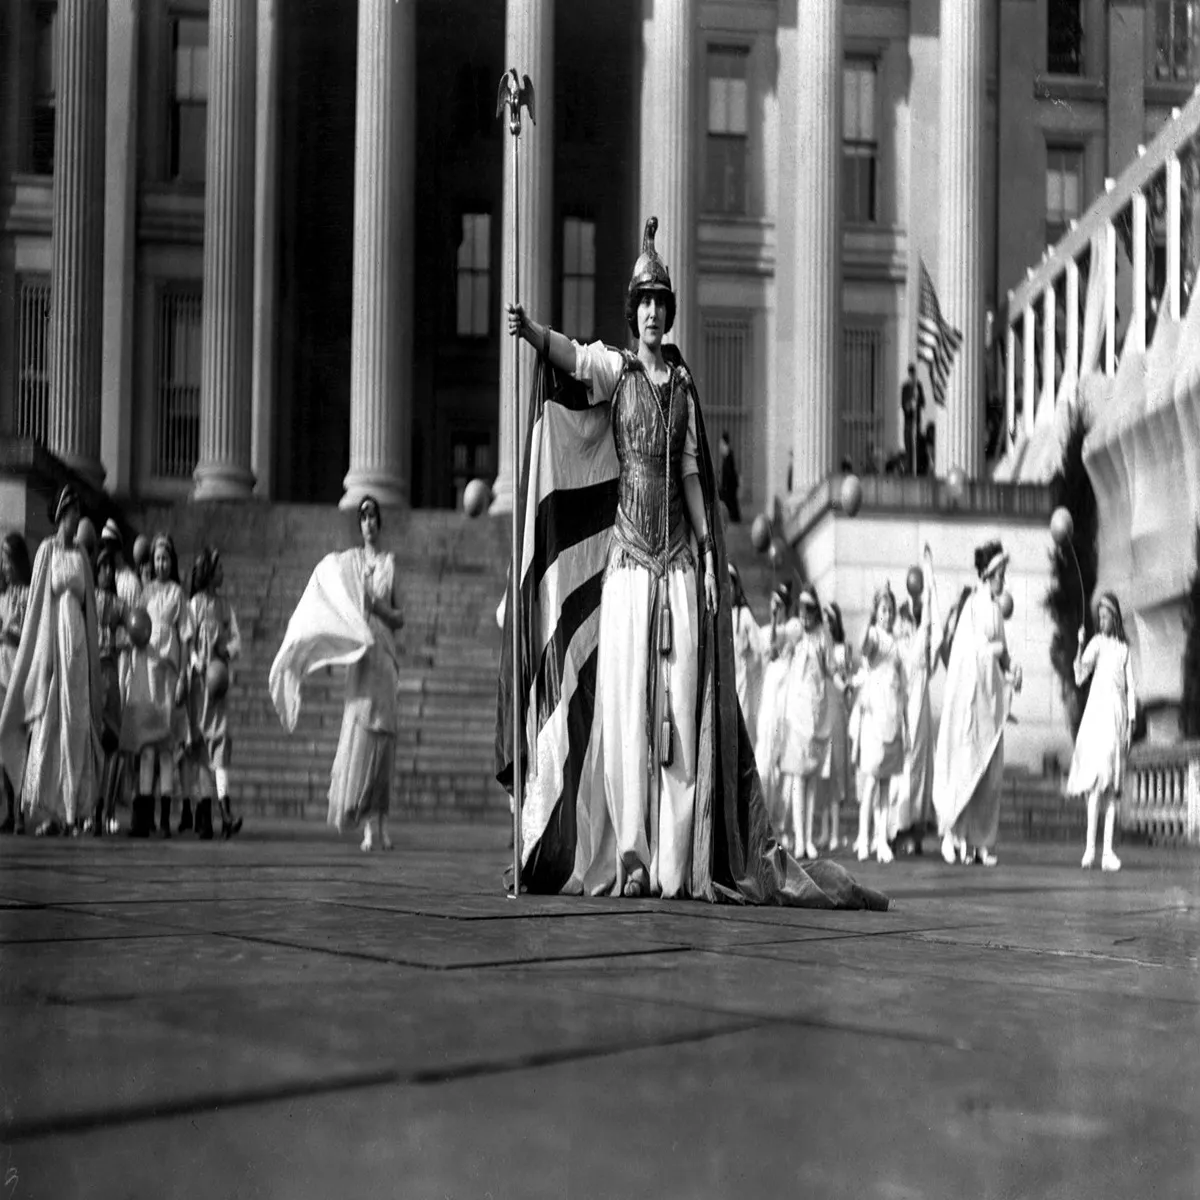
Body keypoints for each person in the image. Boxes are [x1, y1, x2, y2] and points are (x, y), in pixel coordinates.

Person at [501, 217, 887, 910]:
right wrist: (533, 333)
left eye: (660, 303)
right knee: (626, 716)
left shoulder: (681, 386)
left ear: (669, 312)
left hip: (678, 565)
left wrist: (710, 557)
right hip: (626, 565)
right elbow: (574, 356)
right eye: (643, 303)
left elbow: (689, 479)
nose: (652, 313)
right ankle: (631, 856)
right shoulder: (617, 372)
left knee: (679, 713)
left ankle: (677, 860)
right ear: (634, 313)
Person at [0, 486, 103, 836]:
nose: (76, 519)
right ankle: (48, 811)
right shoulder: (46, 550)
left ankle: (73, 809)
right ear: (61, 514)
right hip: (54, 639)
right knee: (50, 721)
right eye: (72, 512)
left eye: (78, 512)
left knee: (76, 723)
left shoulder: (82, 558)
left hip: (77, 643)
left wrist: (89, 654)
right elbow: (37, 608)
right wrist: (44, 653)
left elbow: (89, 609)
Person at [933, 539, 1023, 866]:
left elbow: (1003, 655)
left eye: (1005, 573)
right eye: (1000, 573)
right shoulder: (972, 606)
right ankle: (953, 836)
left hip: (992, 707)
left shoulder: (997, 610)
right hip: (972, 706)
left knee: (990, 779)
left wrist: (1012, 669)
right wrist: (995, 653)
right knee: (966, 771)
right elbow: (967, 657)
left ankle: (981, 843)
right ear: (988, 574)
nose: (1003, 579)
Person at [325, 497, 404, 851]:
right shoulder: (351, 565)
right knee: (363, 738)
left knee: (384, 738)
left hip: (384, 655)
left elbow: (399, 618)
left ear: (380, 523)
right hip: (362, 658)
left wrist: (378, 608)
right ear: (358, 525)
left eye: (373, 516)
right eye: (363, 517)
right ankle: (368, 824)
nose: (369, 523)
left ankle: (383, 820)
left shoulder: (389, 565)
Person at [121, 533, 192, 838]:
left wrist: (184, 677)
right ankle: (144, 816)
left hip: (169, 673)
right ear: (152, 562)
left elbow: (186, 636)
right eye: (157, 558)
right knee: (148, 748)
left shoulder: (178, 594)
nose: (162, 563)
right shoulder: (146, 592)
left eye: (166, 558)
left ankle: (164, 818)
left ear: (172, 562)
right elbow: (136, 630)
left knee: (166, 749)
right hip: (148, 672)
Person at [1068, 593, 1137, 872]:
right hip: (1098, 717)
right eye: (1100, 616)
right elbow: (1080, 675)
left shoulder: (1123, 649)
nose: (1103, 620)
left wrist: (1131, 722)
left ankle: (1108, 852)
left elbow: (1131, 687)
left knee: (1112, 788)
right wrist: (1080, 644)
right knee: (1097, 783)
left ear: (1116, 617)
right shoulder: (1097, 643)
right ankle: (1090, 849)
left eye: (1107, 616)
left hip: (1116, 717)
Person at [187, 547, 244, 840]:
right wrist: (198, 662)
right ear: (209, 572)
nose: (222, 573)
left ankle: (225, 811)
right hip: (199, 689)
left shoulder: (225, 607)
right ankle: (205, 815)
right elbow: (187, 641)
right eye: (219, 568)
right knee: (201, 750)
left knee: (219, 748)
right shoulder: (195, 605)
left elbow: (237, 639)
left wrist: (227, 650)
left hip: (218, 688)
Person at [773, 586, 832, 860]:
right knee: (798, 776)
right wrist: (777, 619)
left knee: (811, 779)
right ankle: (798, 838)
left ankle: (808, 838)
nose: (805, 617)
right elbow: (777, 639)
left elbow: (830, 669)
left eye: (809, 612)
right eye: (802, 612)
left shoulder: (823, 637)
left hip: (816, 712)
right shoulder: (796, 632)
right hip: (796, 714)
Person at [852, 582, 908, 864]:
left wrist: (904, 719)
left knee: (886, 782)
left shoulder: (897, 644)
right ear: (877, 612)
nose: (887, 614)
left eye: (890, 610)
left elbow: (902, 682)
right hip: (875, 712)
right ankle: (863, 836)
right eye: (882, 609)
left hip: (892, 714)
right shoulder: (874, 635)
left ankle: (882, 839)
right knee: (872, 779)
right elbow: (865, 647)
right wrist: (868, 621)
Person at [890, 549, 936, 855]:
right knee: (904, 766)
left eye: (911, 621)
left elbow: (931, 611)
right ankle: (898, 827)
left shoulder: (922, 639)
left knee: (921, 766)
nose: (907, 625)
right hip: (904, 705)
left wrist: (929, 571)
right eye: (904, 621)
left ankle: (917, 829)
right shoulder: (899, 643)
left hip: (922, 706)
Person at [92, 548, 129, 835]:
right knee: (92, 742)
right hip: (92, 674)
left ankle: (107, 807)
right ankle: (90, 809)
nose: (107, 572)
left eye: (110, 567)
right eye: (102, 566)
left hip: (111, 675)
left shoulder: (119, 604)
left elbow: (134, 629)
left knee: (112, 742)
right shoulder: (89, 599)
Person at [0, 533, 32, 834]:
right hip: (0, 672)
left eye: (9, 560)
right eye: (3, 561)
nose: (5, 566)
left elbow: (26, 635)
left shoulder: (27, 596)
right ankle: (9, 809)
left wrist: (7, 633)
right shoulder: (3, 596)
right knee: (3, 744)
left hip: (16, 673)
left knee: (18, 742)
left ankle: (21, 810)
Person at [819, 601, 852, 852]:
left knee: (838, 770)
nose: (827, 625)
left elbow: (846, 681)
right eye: (825, 620)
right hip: (823, 709)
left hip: (839, 711)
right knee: (824, 771)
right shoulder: (821, 648)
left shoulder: (843, 649)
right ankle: (823, 830)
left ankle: (835, 831)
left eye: (831, 620)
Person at [728, 564, 766, 740]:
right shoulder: (720, 614)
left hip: (742, 677)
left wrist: (747, 655)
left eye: (731, 584)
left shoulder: (744, 615)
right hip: (726, 677)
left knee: (741, 722)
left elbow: (758, 650)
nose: (727, 589)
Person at [901, 363, 926, 476]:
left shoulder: (918, 386)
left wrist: (917, 400)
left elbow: (923, 402)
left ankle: (916, 470)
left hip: (916, 423)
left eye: (913, 372)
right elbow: (903, 405)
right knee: (909, 448)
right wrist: (910, 405)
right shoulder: (905, 387)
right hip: (908, 422)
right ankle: (909, 471)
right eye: (910, 373)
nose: (912, 375)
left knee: (916, 446)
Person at [718, 431, 741, 523]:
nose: (720, 446)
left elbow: (729, 473)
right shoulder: (727, 455)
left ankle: (734, 518)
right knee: (731, 503)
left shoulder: (729, 455)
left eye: (721, 443)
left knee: (731, 502)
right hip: (728, 486)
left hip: (729, 486)